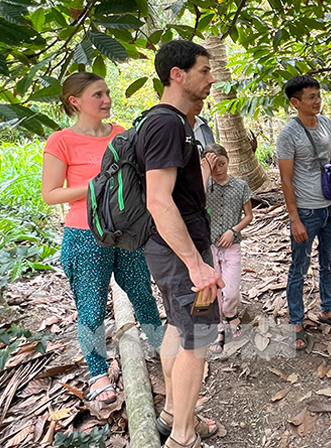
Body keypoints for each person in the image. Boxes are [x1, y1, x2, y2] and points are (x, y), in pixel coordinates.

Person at [41, 73, 163, 404]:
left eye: (107, 93)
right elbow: (51, 194)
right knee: (91, 308)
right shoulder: (61, 141)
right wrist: (97, 186)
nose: (107, 99)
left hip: (128, 230)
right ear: (75, 101)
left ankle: (160, 348)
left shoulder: (122, 135)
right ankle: (97, 373)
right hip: (84, 234)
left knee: (143, 294)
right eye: (98, 94)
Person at [138, 40, 225, 448]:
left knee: (178, 324)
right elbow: (158, 199)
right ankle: (183, 436)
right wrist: (196, 264)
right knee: (198, 337)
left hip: (168, 248)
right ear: (178, 74)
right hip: (180, 250)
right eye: (204, 71)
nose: (211, 79)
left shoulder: (159, 121)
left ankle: (174, 411)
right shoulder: (168, 123)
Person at [276, 75, 331, 351]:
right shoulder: (288, 135)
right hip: (306, 211)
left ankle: (327, 308)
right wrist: (295, 218)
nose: (317, 101)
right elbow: (286, 180)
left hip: (329, 206)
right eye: (311, 97)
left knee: (329, 260)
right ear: (295, 102)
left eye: (318, 95)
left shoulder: (327, 124)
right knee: (299, 267)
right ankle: (296, 321)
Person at [202, 143, 254, 355]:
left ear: (228, 162)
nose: (219, 169)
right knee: (213, 289)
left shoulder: (240, 186)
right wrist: (205, 173)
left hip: (231, 246)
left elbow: (249, 215)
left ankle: (231, 313)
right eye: (214, 165)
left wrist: (233, 230)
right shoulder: (202, 186)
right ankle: (219, 327)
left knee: (231, 290)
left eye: (221, 164)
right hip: (209, 246)